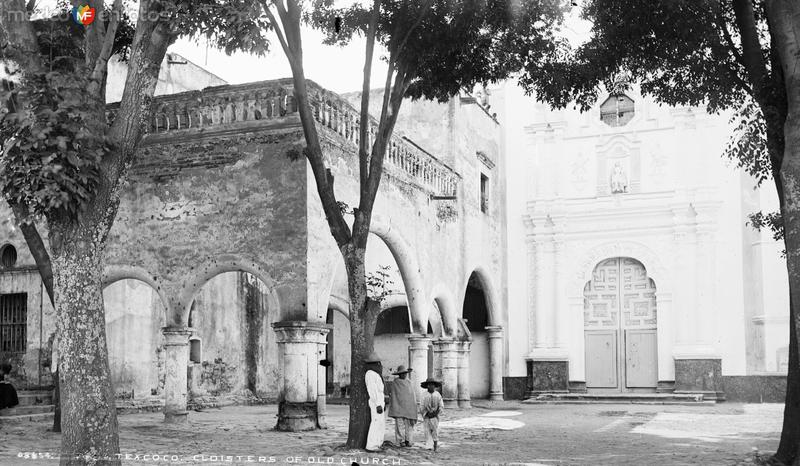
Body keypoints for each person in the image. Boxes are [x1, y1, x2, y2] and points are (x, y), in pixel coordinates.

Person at [388, 365, 417, 447]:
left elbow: (412, 396)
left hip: (408, 407)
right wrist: (395, 405)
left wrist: (413, 406)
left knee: (409, 425)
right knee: (399, 425)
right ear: (399, 374)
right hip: (398, 407)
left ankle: (408, 440)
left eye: (405, 373)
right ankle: (400, 441)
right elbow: (394, 395)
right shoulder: (395, 383)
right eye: (402, 373)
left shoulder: (409, 383)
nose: (404, 375)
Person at [364, 352, 386, 452]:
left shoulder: (376, 374)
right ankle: (371, 445)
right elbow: (373, 391)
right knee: (376, 423)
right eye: (377, 363)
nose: (379, 365)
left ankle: (378, 443)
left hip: (380, 401)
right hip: (375, 402)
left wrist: (383, 403)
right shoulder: (370, 374)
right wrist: (378, 404)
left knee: (380, 424)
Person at [420, 377, 443, 452]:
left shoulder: (437, 395)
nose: (431, 386)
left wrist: (436, 413)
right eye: (429, 385)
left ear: (435, 386)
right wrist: (426, 413)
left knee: (435, 431)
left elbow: (441, 406)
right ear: (427, 386)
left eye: (432, 385)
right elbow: (422, 406)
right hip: (427, 415)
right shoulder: (424, 395)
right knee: (427, 430)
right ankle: (429, 445)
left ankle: (435, 445)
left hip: (435, 416)